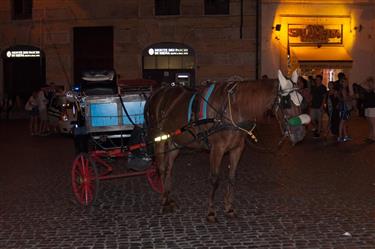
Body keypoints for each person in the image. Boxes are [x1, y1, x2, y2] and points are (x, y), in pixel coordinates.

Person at [337, 78, 353, 142]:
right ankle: (340, 137)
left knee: (344, 122)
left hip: (343, 106)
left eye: (347, 82)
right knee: (342, 122)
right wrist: (352, 97)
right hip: (344, 107)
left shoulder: (342, 89)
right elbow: (345, 99)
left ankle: (345, 136)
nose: (346, 83)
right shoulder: (343, 90)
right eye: (345, 82)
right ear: (342, 83)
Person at [361, 77, 375, 143]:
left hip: (373, 108)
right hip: (367, 108)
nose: (369, 83)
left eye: (370, 82)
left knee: (373, 124)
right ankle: (370, 137)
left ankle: (373, 138)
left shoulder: (373, 89)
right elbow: (361, 85)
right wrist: (366, 81)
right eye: (368, 82)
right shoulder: (368, 89)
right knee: (369, 124)